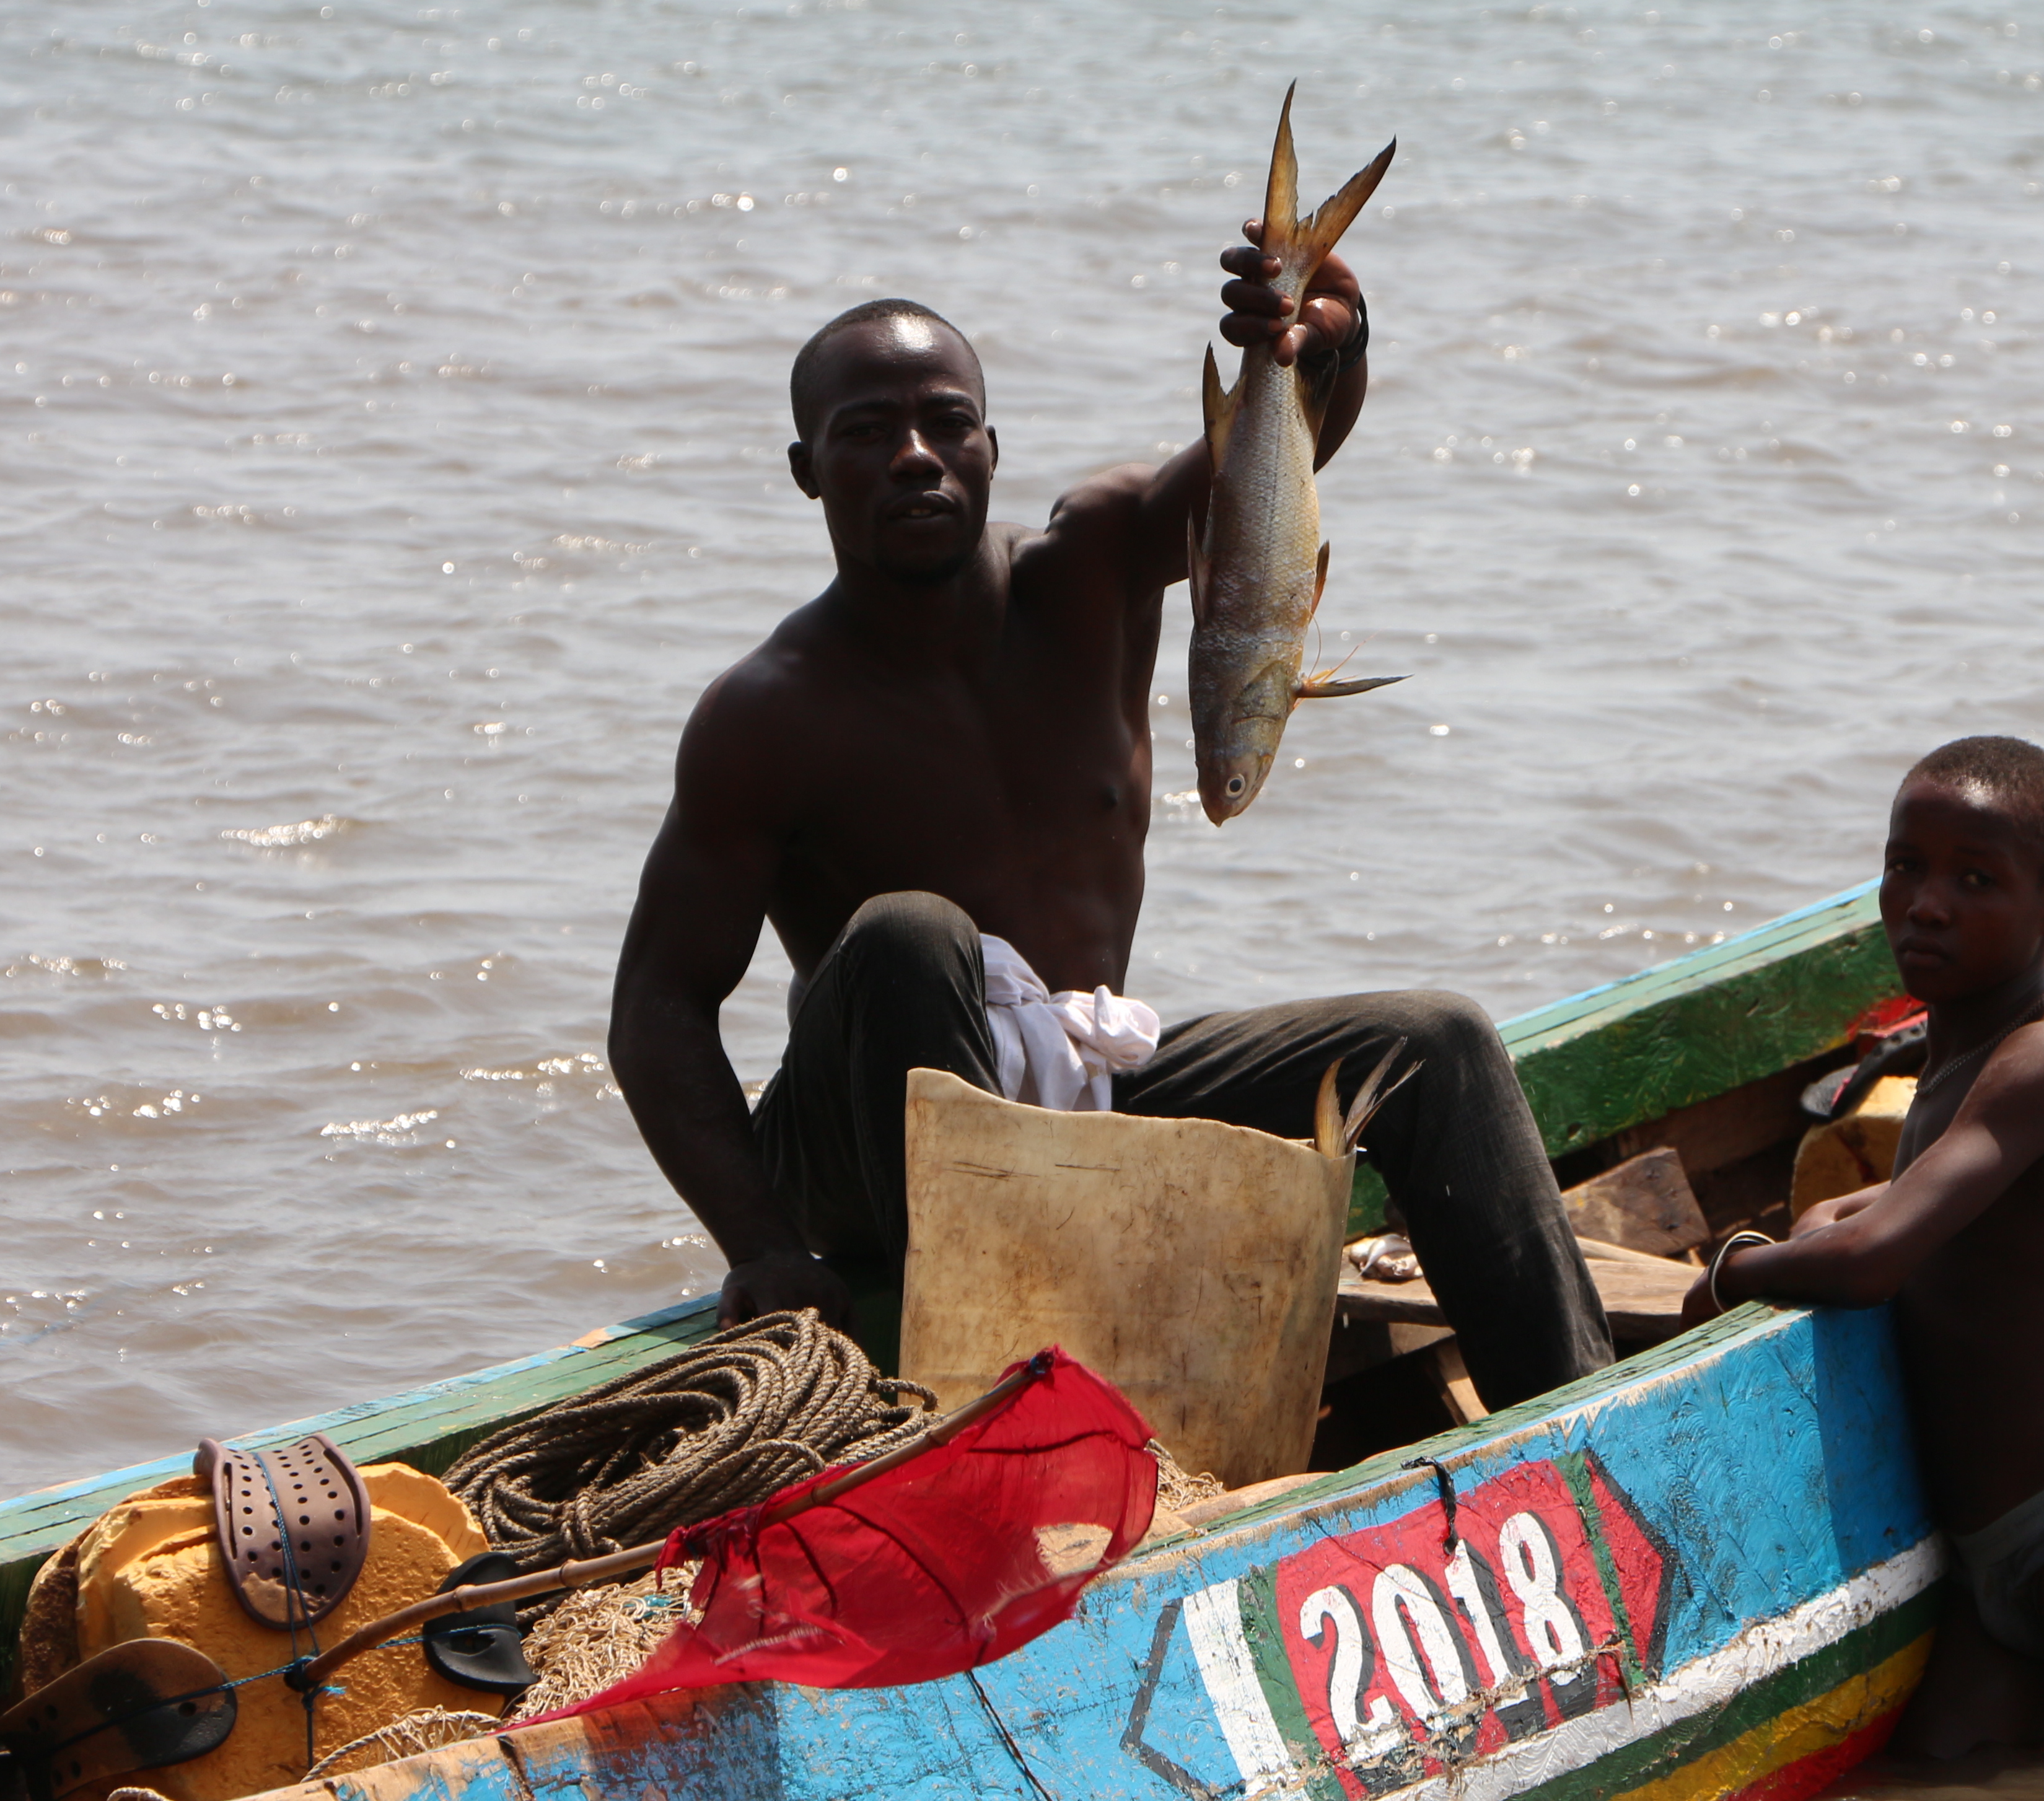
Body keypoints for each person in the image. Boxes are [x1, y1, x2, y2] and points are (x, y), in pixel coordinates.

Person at [605, 221, 1612, 1414]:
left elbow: (1272, 463)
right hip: (874, 1168)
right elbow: (658, 1014)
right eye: (867, 435)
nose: (916, 458)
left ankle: (1588, 1426)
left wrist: (1326, 334)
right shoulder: (766, 713)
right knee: (914, 935)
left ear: (992, 447)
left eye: (946, 424)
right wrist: (765, 1249)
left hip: (1086, 1097)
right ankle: (977, 1394)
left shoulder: (1092, 569)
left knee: (1434, 1042)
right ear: (806, 470)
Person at [1680, 737, 2044, 1766]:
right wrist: (1832, 1220)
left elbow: (1873, 1261)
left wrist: (1732, 1271)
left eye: (1975, 880)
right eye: (1907, 866)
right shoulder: (1961, 1053)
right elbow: (1905, 1204)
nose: (1926, 903)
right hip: (1988, 1555)